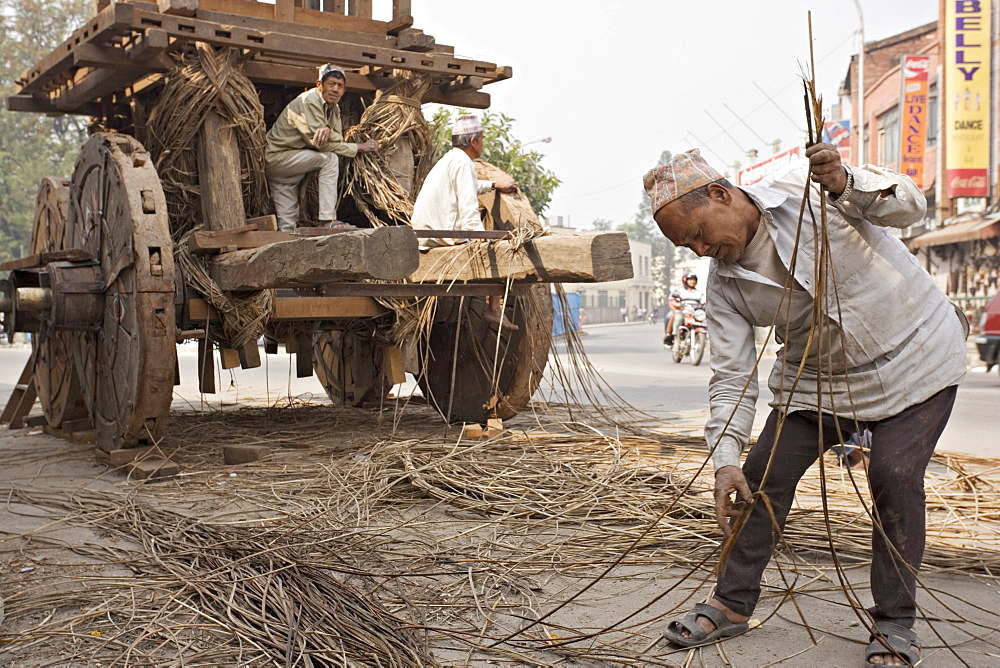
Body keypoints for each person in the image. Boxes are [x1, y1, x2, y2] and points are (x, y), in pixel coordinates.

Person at [645, 145, 968, 667]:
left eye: (700, 233)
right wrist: (724, 458)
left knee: (894, 474)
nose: (702, 249)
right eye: (689, 245)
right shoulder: (725, 285)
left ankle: (895, 623)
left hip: (918, 357)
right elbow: (731, 376)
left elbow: (910, 205)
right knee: (759, 474)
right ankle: (732, 604)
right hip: (818, 382)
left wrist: (845, 182)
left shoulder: (813, 190)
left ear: (722, 194)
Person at [411, 114, 519, 330]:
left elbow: (468, 185)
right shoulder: (463, 163)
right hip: (440, 234)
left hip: (426, 232)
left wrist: (492, 185)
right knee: (500, 251)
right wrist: (482, 238)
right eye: (482, 139)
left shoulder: (451, 159)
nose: (483, 143)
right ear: (473, 142)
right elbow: (469, 208)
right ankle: (494, 309)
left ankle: (494, 308)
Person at [265, 63, 379, 232]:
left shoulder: (335, 110)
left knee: (288, 227)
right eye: (331, 84)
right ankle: (327, 220)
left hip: (286, 174)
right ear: (319, 85)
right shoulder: (310, 100)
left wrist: (327, 130)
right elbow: (321, 145)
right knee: (329, 159)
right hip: (279, 158)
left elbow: (336, 140)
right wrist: (359, 147)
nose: (335, 89)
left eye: (340, 86)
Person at [664, 270, 703, 346]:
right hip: (682, 311)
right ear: (686, 280)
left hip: (695, 313)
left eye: (694, 280)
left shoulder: (699, 293)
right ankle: (674, 338)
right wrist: (676, 307)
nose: (692, 282)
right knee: (675, 316)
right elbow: (672, 301)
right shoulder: (679, 290)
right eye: (690, 280)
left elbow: (704, 302)